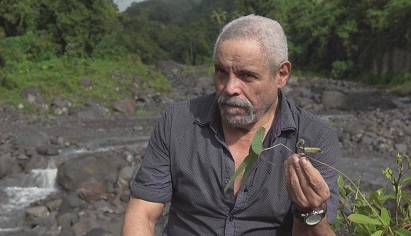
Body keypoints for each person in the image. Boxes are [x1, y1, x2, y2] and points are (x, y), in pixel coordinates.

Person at [121, 14, 341, 236]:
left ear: (281, 75)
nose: (229, 87)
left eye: (247, 75)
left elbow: (314, 231)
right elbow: (142, 214)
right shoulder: (178, 123)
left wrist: (311, 211)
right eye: (221, 72)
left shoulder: (315, 138)